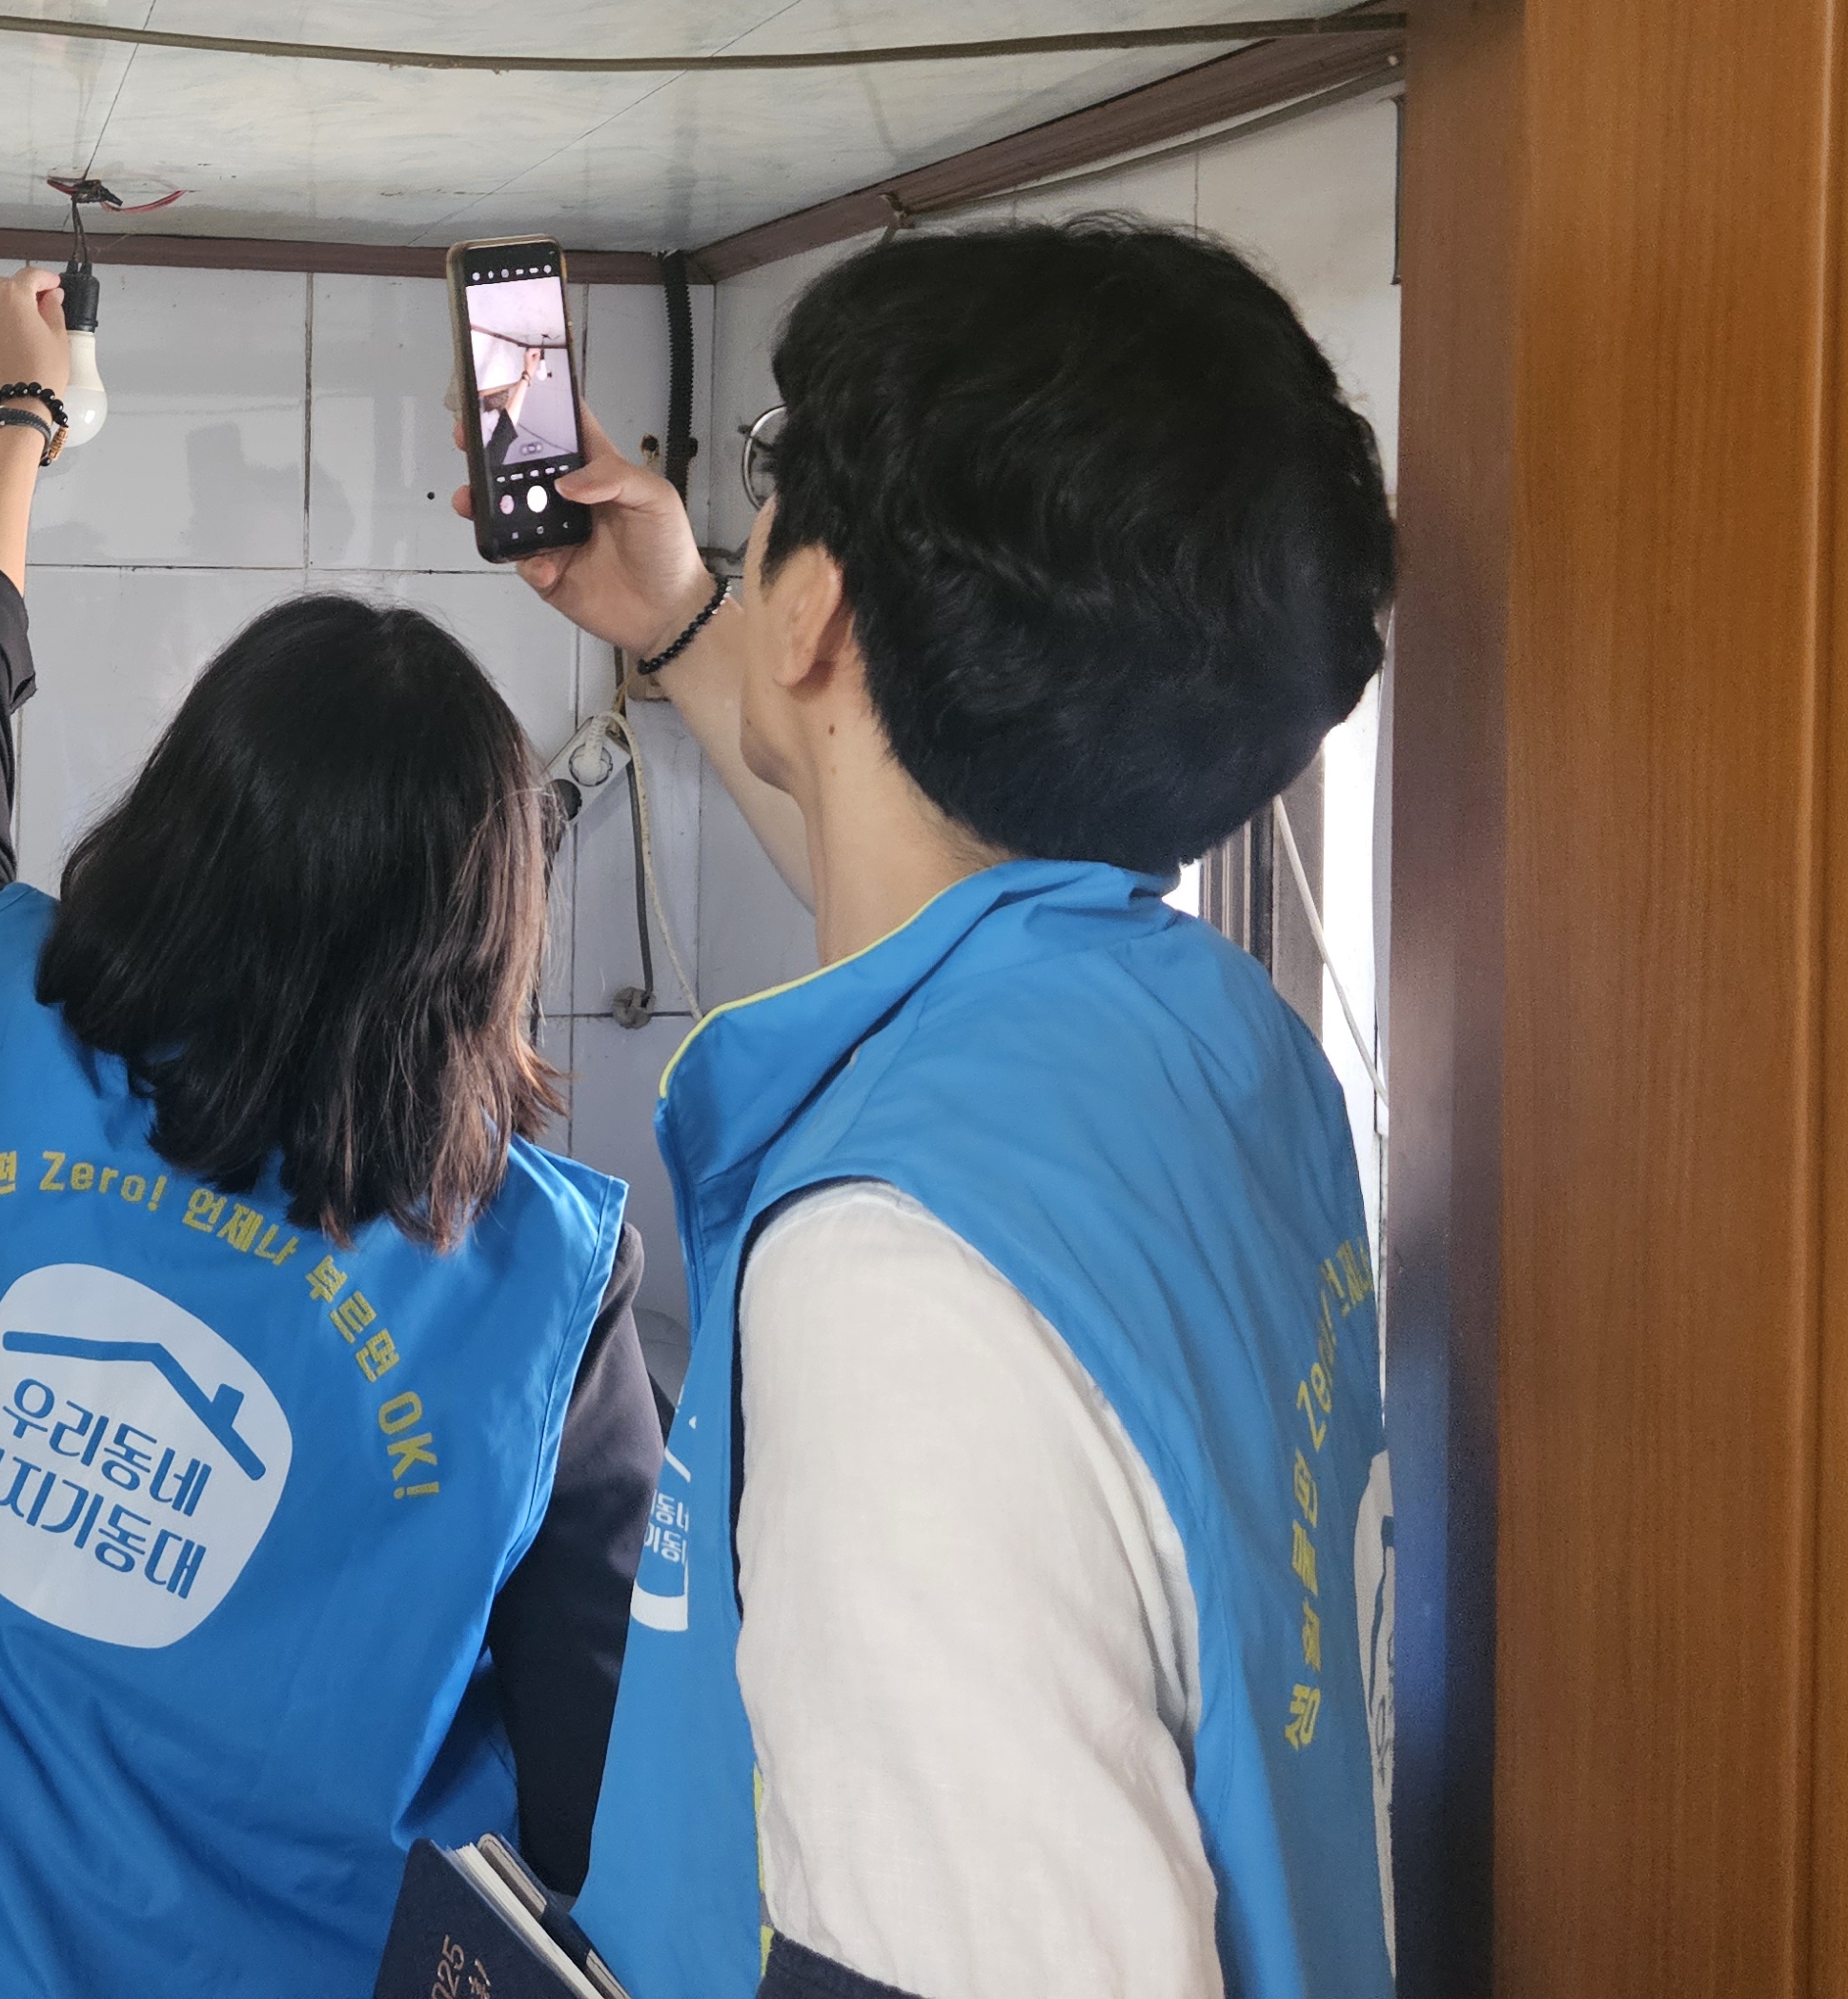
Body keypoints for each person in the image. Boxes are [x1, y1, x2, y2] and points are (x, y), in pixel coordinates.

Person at [0, 267, 663, 1999]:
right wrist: (687, 626)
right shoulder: (543, 1291)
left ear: (177, 821)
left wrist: (20, 421)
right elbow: (609, 1794)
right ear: (490, 931)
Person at [487, 218, 1399, 1999]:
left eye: (772, 496)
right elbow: (929, 893)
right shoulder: (1225, 1040)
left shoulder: (897, 1289)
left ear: (819, 612)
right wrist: (685, 619)